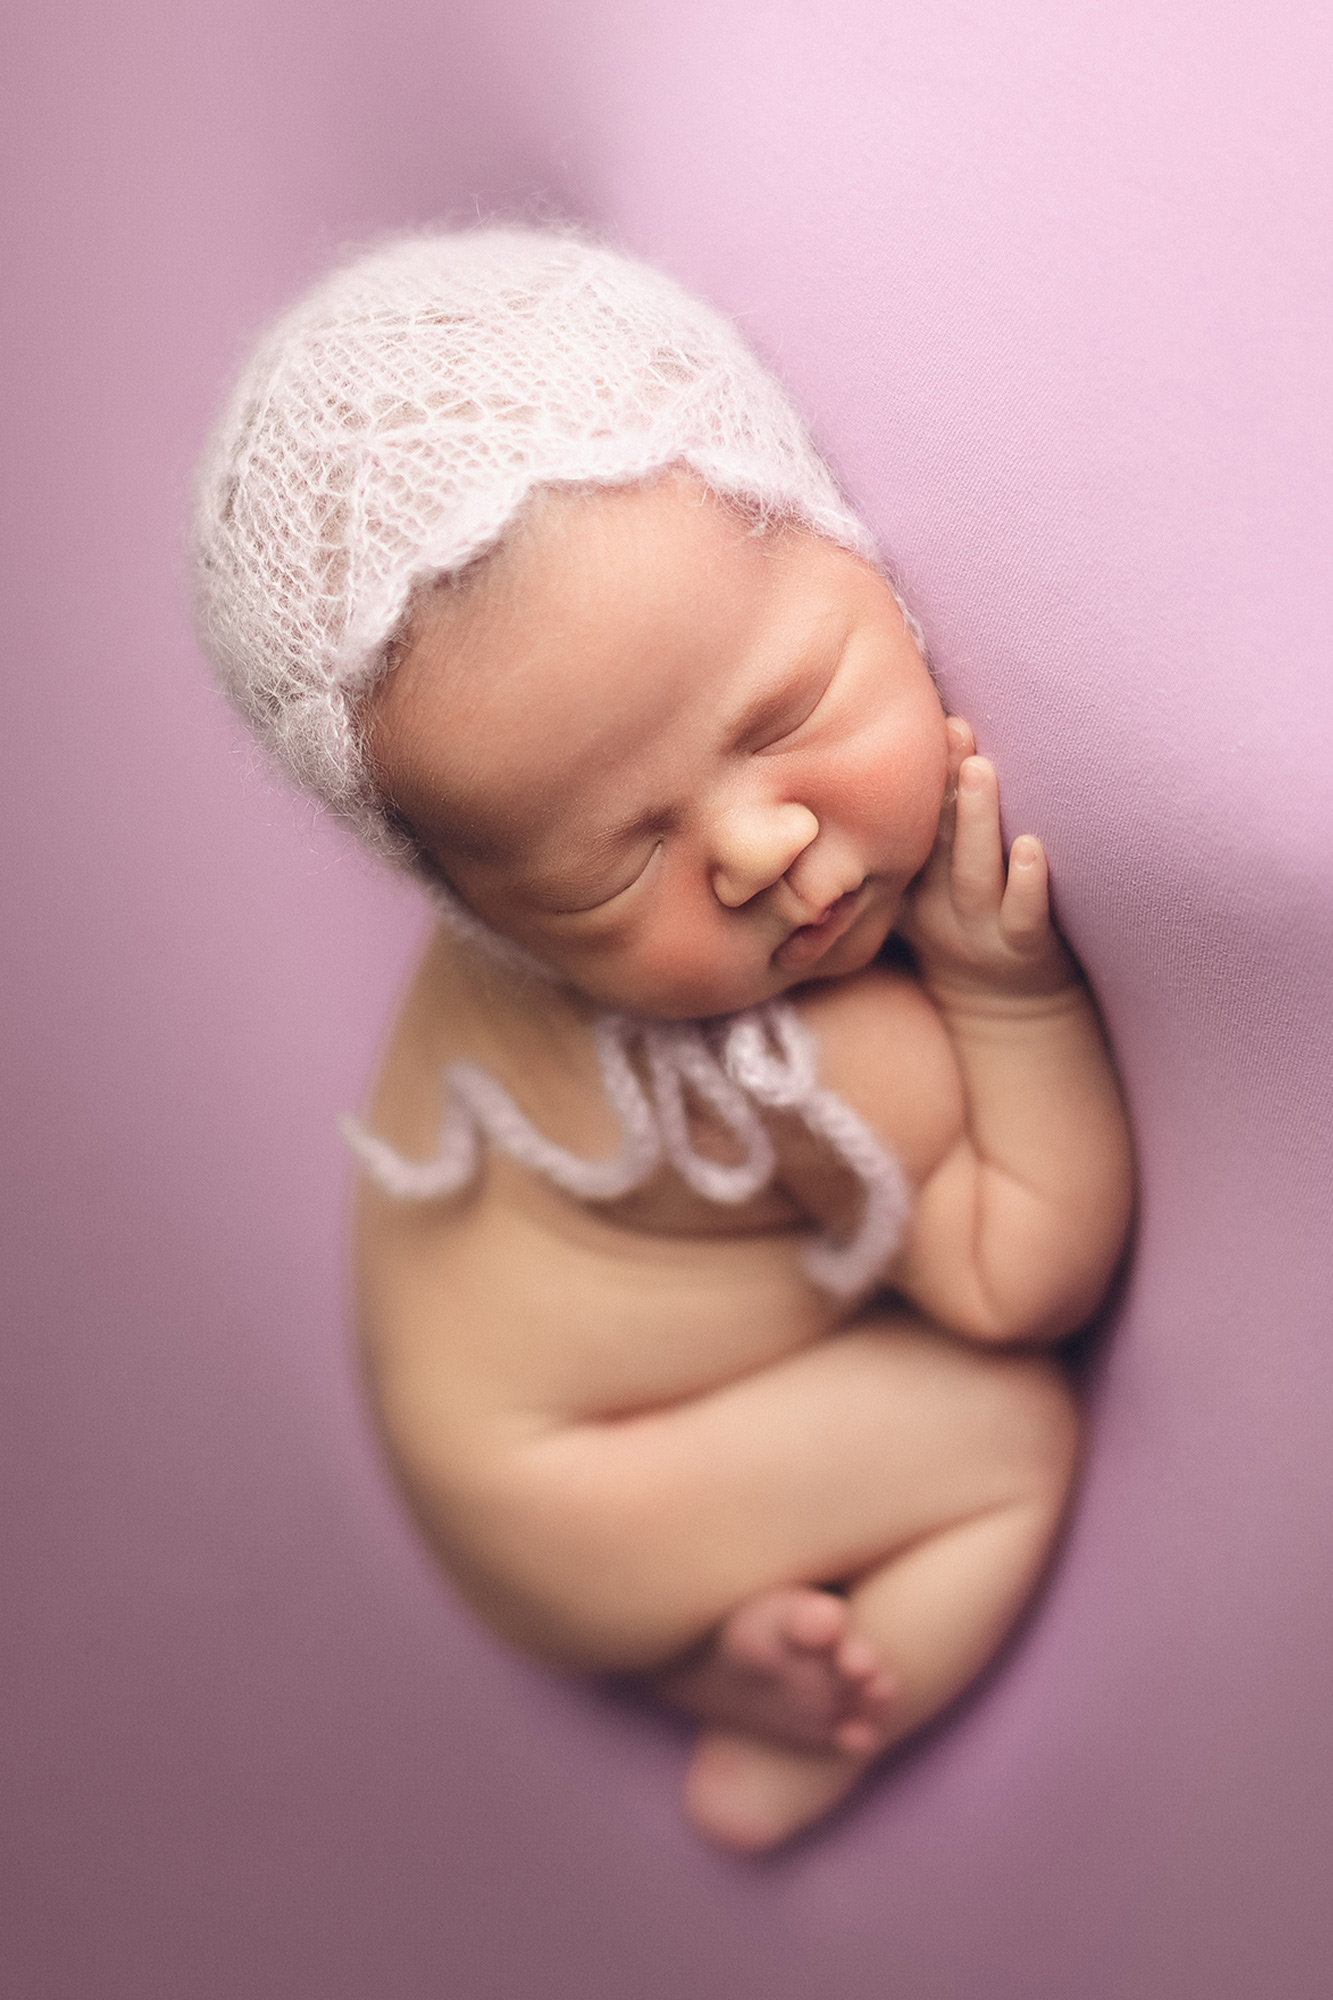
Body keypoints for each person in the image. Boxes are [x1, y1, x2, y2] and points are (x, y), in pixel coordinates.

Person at [192, 229, 1132, 1852]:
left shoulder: (543, 791)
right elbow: (1020, 1280)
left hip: (464, 1405)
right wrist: (1007, 997)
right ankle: (781, 1728)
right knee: (1009, 1438)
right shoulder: (809, 1069)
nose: (762, 846)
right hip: (569, 1491)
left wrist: (619, 862)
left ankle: (712, 1631)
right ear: (498, 915)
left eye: (783, 714)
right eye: (622, 863)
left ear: (853, 551)